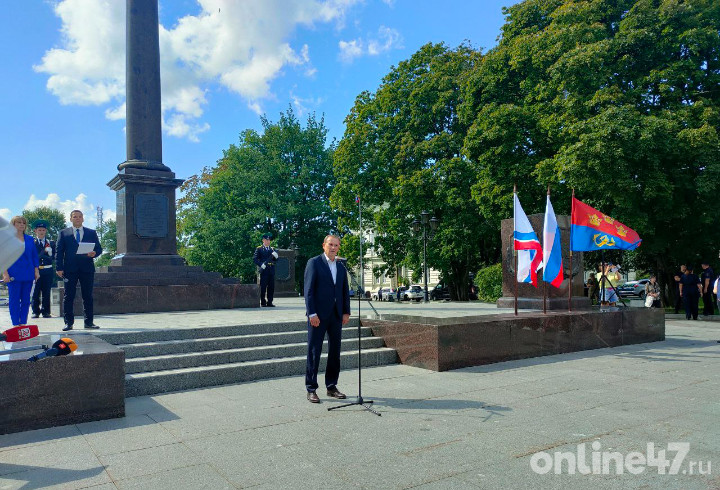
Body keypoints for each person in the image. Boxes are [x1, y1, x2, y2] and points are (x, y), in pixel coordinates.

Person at [303, 235, 351, 403]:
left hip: (336, 315)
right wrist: (312, 314)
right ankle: (311, 389)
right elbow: (308, 290)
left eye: (336, 245)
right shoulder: (314, 262)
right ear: (324, 245)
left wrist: (346, 311)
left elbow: (344, 290)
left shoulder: (341, 265)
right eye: (330, 244)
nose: (333, 247)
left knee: (335, 352)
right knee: (314, 352)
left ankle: (331, 386)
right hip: (318, 316)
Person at [56, 210, 102, 331]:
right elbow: (59, 252)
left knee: (87, 296)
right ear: (70, 219)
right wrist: (59, 268)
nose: (77, 218)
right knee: (68, 296)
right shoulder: (63, 233)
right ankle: (68, 323)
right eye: (75, 217)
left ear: (83, 218)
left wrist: (95, 253)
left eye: (80, 216)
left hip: (87, 268)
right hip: (69, 269)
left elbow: (99, 248)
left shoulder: (91, 232)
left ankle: (89, 322)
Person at [1, 216, 39, 326]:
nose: (22, 224)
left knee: (26, 300)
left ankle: (23, 323)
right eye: (19, 222)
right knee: (14, 300)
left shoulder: (30, 239)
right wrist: (5, 273)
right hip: (13, 274)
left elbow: (34, 256)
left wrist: (36, 271)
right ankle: (15, 324)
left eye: (24, 223)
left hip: (28, 273)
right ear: (13, 225)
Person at [31, 220, 55, 318]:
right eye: (39, 230)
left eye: (43, 230)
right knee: (35, 291)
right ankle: (35, 311)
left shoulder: (51, 243)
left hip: (47, 270)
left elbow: (53, 257)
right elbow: (32, 257)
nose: (41, 232)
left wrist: (45, 256)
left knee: (46, 291)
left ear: (46, 231)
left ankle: (46, 311)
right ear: (35, 231)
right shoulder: (32, 242)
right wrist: (44, 253)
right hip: (36, 270)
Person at [253, 233, 278, 307]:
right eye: (266, 240)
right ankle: (263, 302)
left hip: (271, 269)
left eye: (269, 240)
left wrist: (276, 257)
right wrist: (261, 264)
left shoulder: (272, 249)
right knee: (263, 287)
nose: (268, 241)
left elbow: (276, 260)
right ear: (263, 240)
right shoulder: (259, 249)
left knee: (271, 287)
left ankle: (270, 302)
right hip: (264, 270)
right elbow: (254, 259)